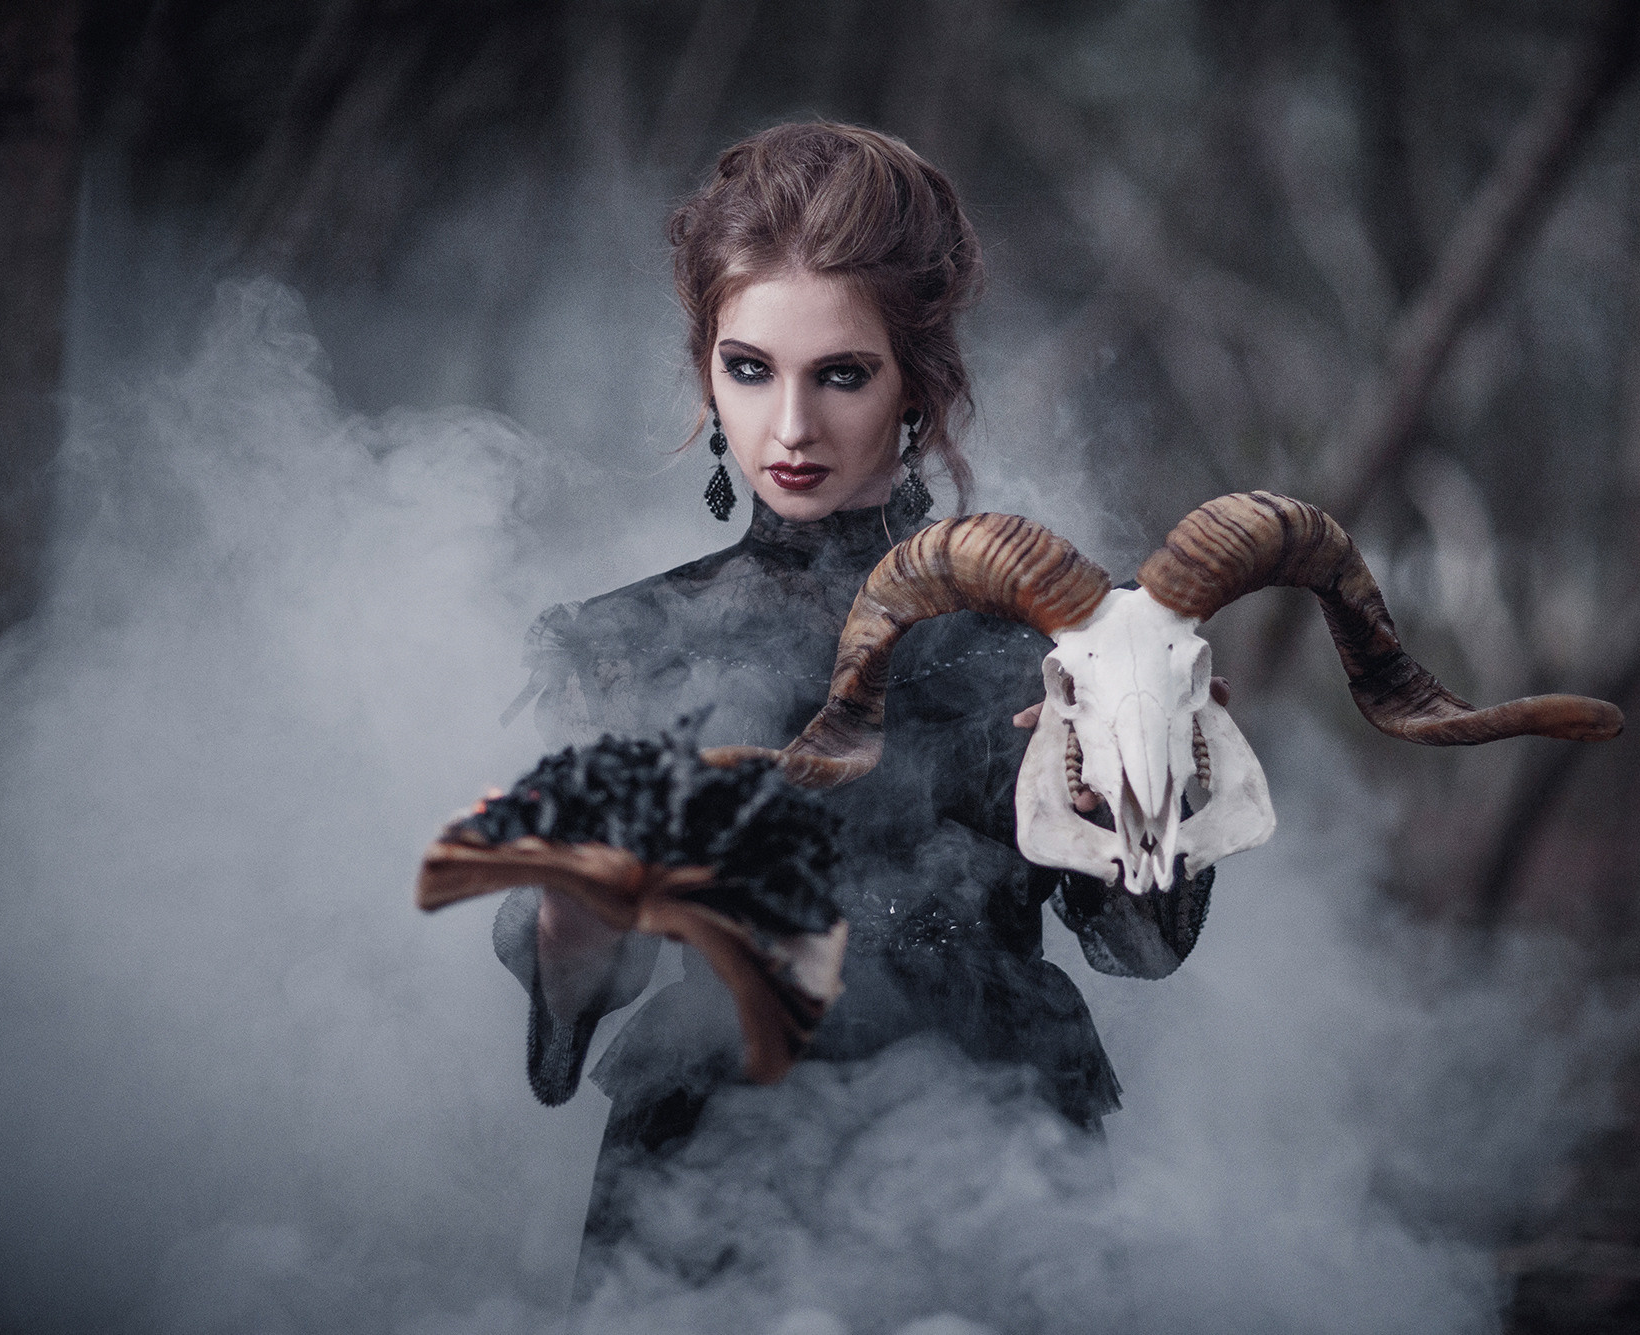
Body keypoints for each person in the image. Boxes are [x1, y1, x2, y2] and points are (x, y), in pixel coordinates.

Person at [491, 121, 1213, 1303]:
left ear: (918, 381)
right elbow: (564, 1039)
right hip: (695, 1197)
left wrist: (1140, 777)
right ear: (701, 364)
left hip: (995, 1190)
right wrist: (578, 909)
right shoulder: (622, 644)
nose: (788, 429)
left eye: (839, 372)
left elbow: (1142, 943)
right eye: (747, 367)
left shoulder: (1060, 629)